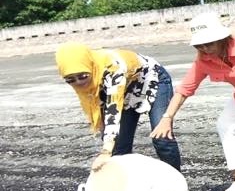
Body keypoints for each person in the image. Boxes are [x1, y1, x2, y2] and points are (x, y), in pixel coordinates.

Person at [150, 13, 235, 191]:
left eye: (209, 43)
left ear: (222, 38)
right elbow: (185, 89)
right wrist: (167, 117)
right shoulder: (203, 61)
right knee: (225, 124)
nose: (204, 48)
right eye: (199, 45)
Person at [55, 42, 182, 173]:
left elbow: (113, 109)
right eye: (70, 80)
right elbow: (98, 110)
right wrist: (107, 141)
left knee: (161, 138)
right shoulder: (83, 78)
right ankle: (125, 186)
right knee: (118, 149)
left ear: (90, 66)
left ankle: (177, 182)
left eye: (83, 76)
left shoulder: (112, 66)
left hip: (152, 80)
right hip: (125, 91)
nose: (79, 82)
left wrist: (105, 151)